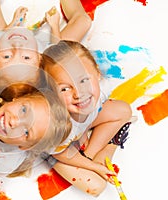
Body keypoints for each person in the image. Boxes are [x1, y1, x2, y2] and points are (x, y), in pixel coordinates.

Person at [41, 40, 132, 196]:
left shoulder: (99, 90)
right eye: (64, 88)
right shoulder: (54, 126)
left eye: (83, 80)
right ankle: (99, 153)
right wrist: (94, 168)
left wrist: (88, 159)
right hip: (59, 150)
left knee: (124, 110)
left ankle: (92, 154)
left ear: (97, 72)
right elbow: (61, 153)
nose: (79, 93)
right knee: (97, 186)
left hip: (79, 126)